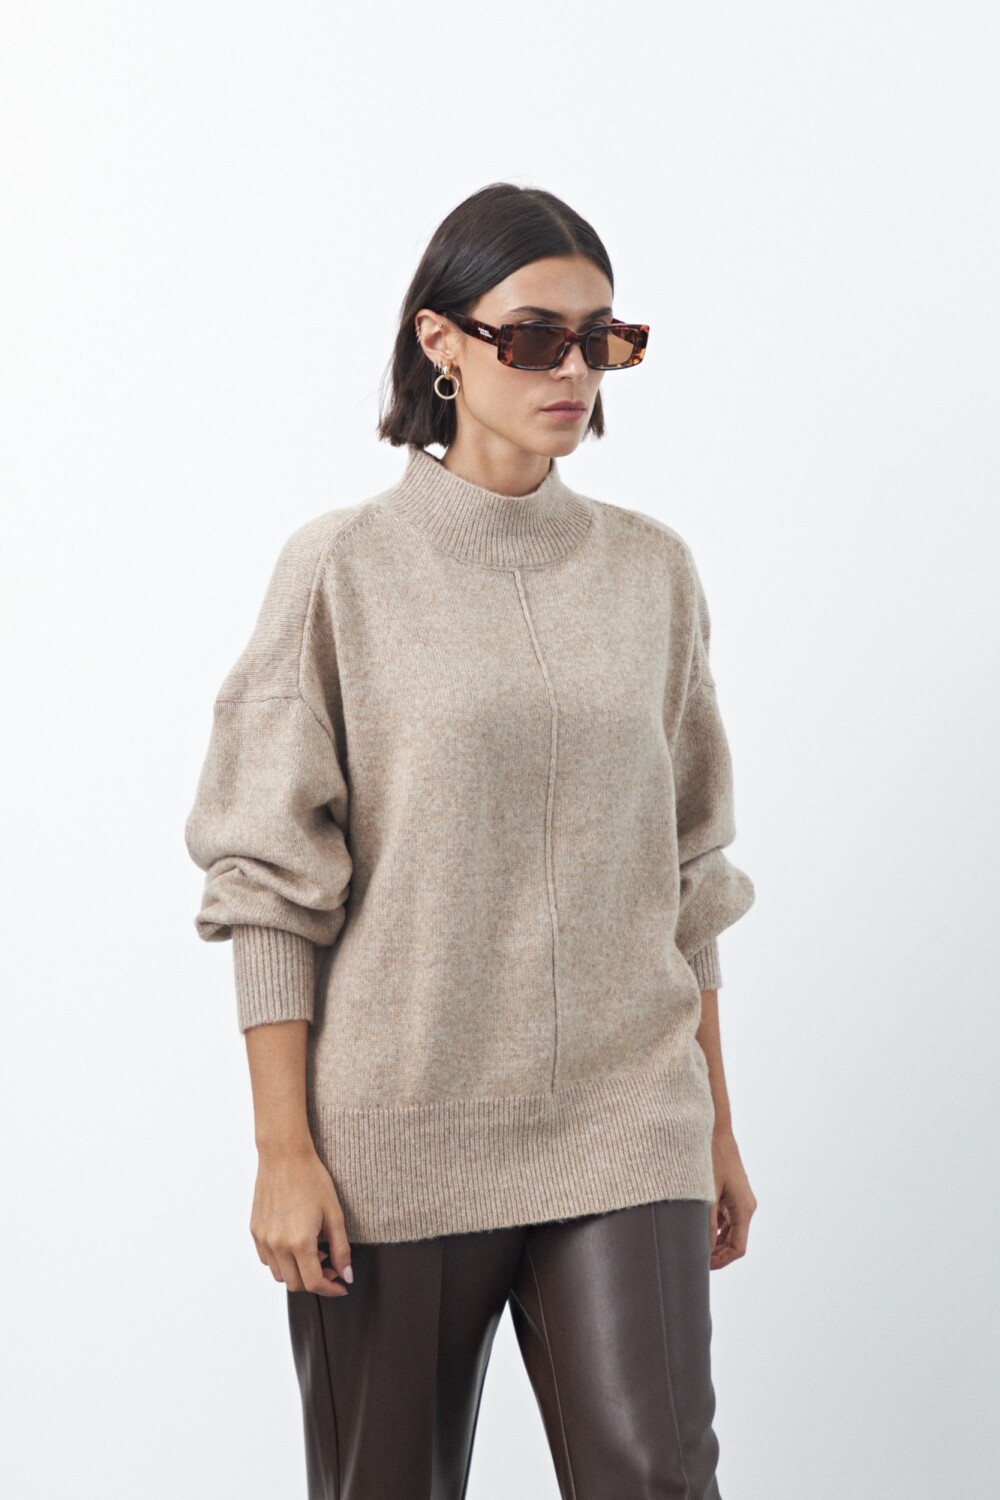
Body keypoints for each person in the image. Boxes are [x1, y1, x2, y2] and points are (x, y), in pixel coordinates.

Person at [185, 180, 758, 1500]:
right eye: (536, 336)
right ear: (441, 342)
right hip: (398, 1135)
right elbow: (268, 881)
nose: (574, 370)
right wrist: (283, 1151)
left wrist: (716, 1129)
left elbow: (688, 872)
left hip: (628, 1120)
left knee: (656, 1479)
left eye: (602, 339)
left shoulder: (652, 571)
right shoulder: (342, 569)